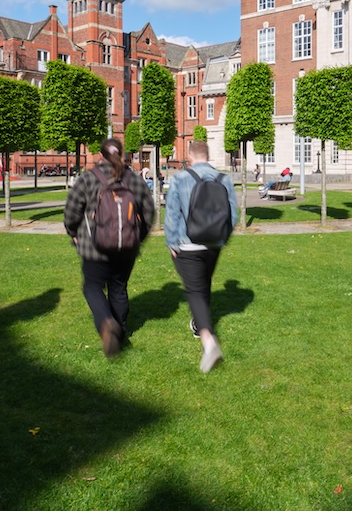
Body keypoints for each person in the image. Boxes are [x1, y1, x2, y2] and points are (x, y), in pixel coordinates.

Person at [64, 138, 155, 357]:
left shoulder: (88, 179)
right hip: (126, 248)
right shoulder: (134, 180)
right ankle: (120, 334)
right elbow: (149, 213)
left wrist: (74, 233)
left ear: (100, 155)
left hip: (94, 247)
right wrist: (137, 238)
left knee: (92, 287)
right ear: (122, 154)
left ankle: (106, 323)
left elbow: (71, 213)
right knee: (119, 287)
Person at [165, 140, 239, 372]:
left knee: (194, 290)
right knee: (203, 283)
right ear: (208, 155)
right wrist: (222, 239)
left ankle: (209, 341)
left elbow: (172, 214)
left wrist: (171, 242)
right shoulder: (224, 179)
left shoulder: (179, 178)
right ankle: (199, 325)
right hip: (214, 243)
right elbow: (233, 215)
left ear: (190, 156)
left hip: (188, 244)